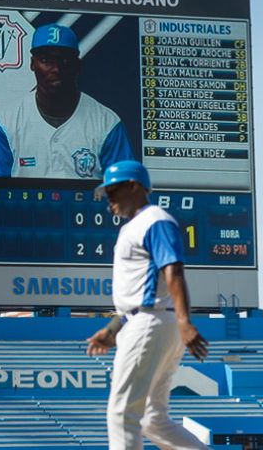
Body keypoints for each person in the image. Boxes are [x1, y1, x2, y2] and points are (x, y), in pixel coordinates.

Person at [86, 160, 209, 450]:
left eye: (113, 192)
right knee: (152, 420)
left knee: (122, 413)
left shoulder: (155, 219)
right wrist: (112, 328)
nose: (109, 201)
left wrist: (184, 321)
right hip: (144, 321)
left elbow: (173, 271)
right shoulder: (137, 225)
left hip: (151, 322)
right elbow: (135, 296)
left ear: (134, 186)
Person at [0, 23, 134, 179]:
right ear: (33, 64)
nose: (56, 69)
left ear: (77, 65)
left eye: (64, 60)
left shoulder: (107, 123)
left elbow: (124, 192)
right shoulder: (5, 121)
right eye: (46, 60)